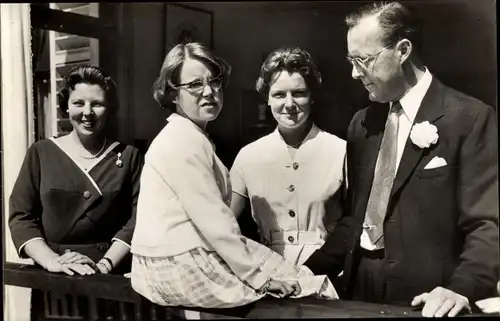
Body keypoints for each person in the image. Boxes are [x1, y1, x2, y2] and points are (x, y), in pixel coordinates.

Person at [304, 1, 499, 318]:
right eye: (350, 60)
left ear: (403, 50)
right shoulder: (361, 124)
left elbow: (486, 225)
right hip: (358, 290)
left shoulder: (471, 119)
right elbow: (355, 219)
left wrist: (461, 288)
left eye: (363, 60)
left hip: (427, 299)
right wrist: (305, 272)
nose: (354, 73)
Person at [130, 42, 337, 309]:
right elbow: (216, 223)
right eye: (194, 85)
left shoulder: (187, 136)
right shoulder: (184, 141)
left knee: (295, 282)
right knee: (302, 288)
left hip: (166, 263)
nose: (209, 92)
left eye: (214, 81)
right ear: (172, 94)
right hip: (185, 266)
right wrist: (260, 278)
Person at [9, 65, 143, 318]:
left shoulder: (128, 156)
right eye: (78, 103)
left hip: (109, 278)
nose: (87, 113)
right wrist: (53, 261)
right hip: (53, 277)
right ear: (66, 106)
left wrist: (104, 264)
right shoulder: (41, 153)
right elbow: (21, 217)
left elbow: (138, 219)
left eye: (97, 104)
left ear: (110, 109)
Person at [230, 47, 347, 267]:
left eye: (299, 93)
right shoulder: (248, 156)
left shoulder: (340, 151)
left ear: (312, 96)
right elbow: (225, 226)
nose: (290, 104)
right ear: (267, 98)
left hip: (327, 271)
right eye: (279, 94)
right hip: (268, 272)